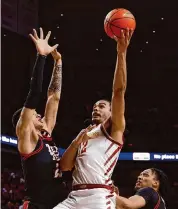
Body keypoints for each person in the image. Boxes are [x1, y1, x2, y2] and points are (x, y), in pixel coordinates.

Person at [54, 28, 133, 209]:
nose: (96, 108)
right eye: (95, 106)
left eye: (102, 106)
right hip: (74, 196)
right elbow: (65, 166)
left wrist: (121, 53)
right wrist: (76, 141)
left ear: (112, 111)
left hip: (98, 196)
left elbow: (119, 92)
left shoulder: (114, 129)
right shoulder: (85, 135)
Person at [12, 28, 63, 209]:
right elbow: (35, 94)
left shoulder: (46, 131)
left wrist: (58, 62)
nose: (39, 114)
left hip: (57, 204)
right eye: (35, 115)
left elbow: (53, 97)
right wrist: (41, 57)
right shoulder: (27, 137)